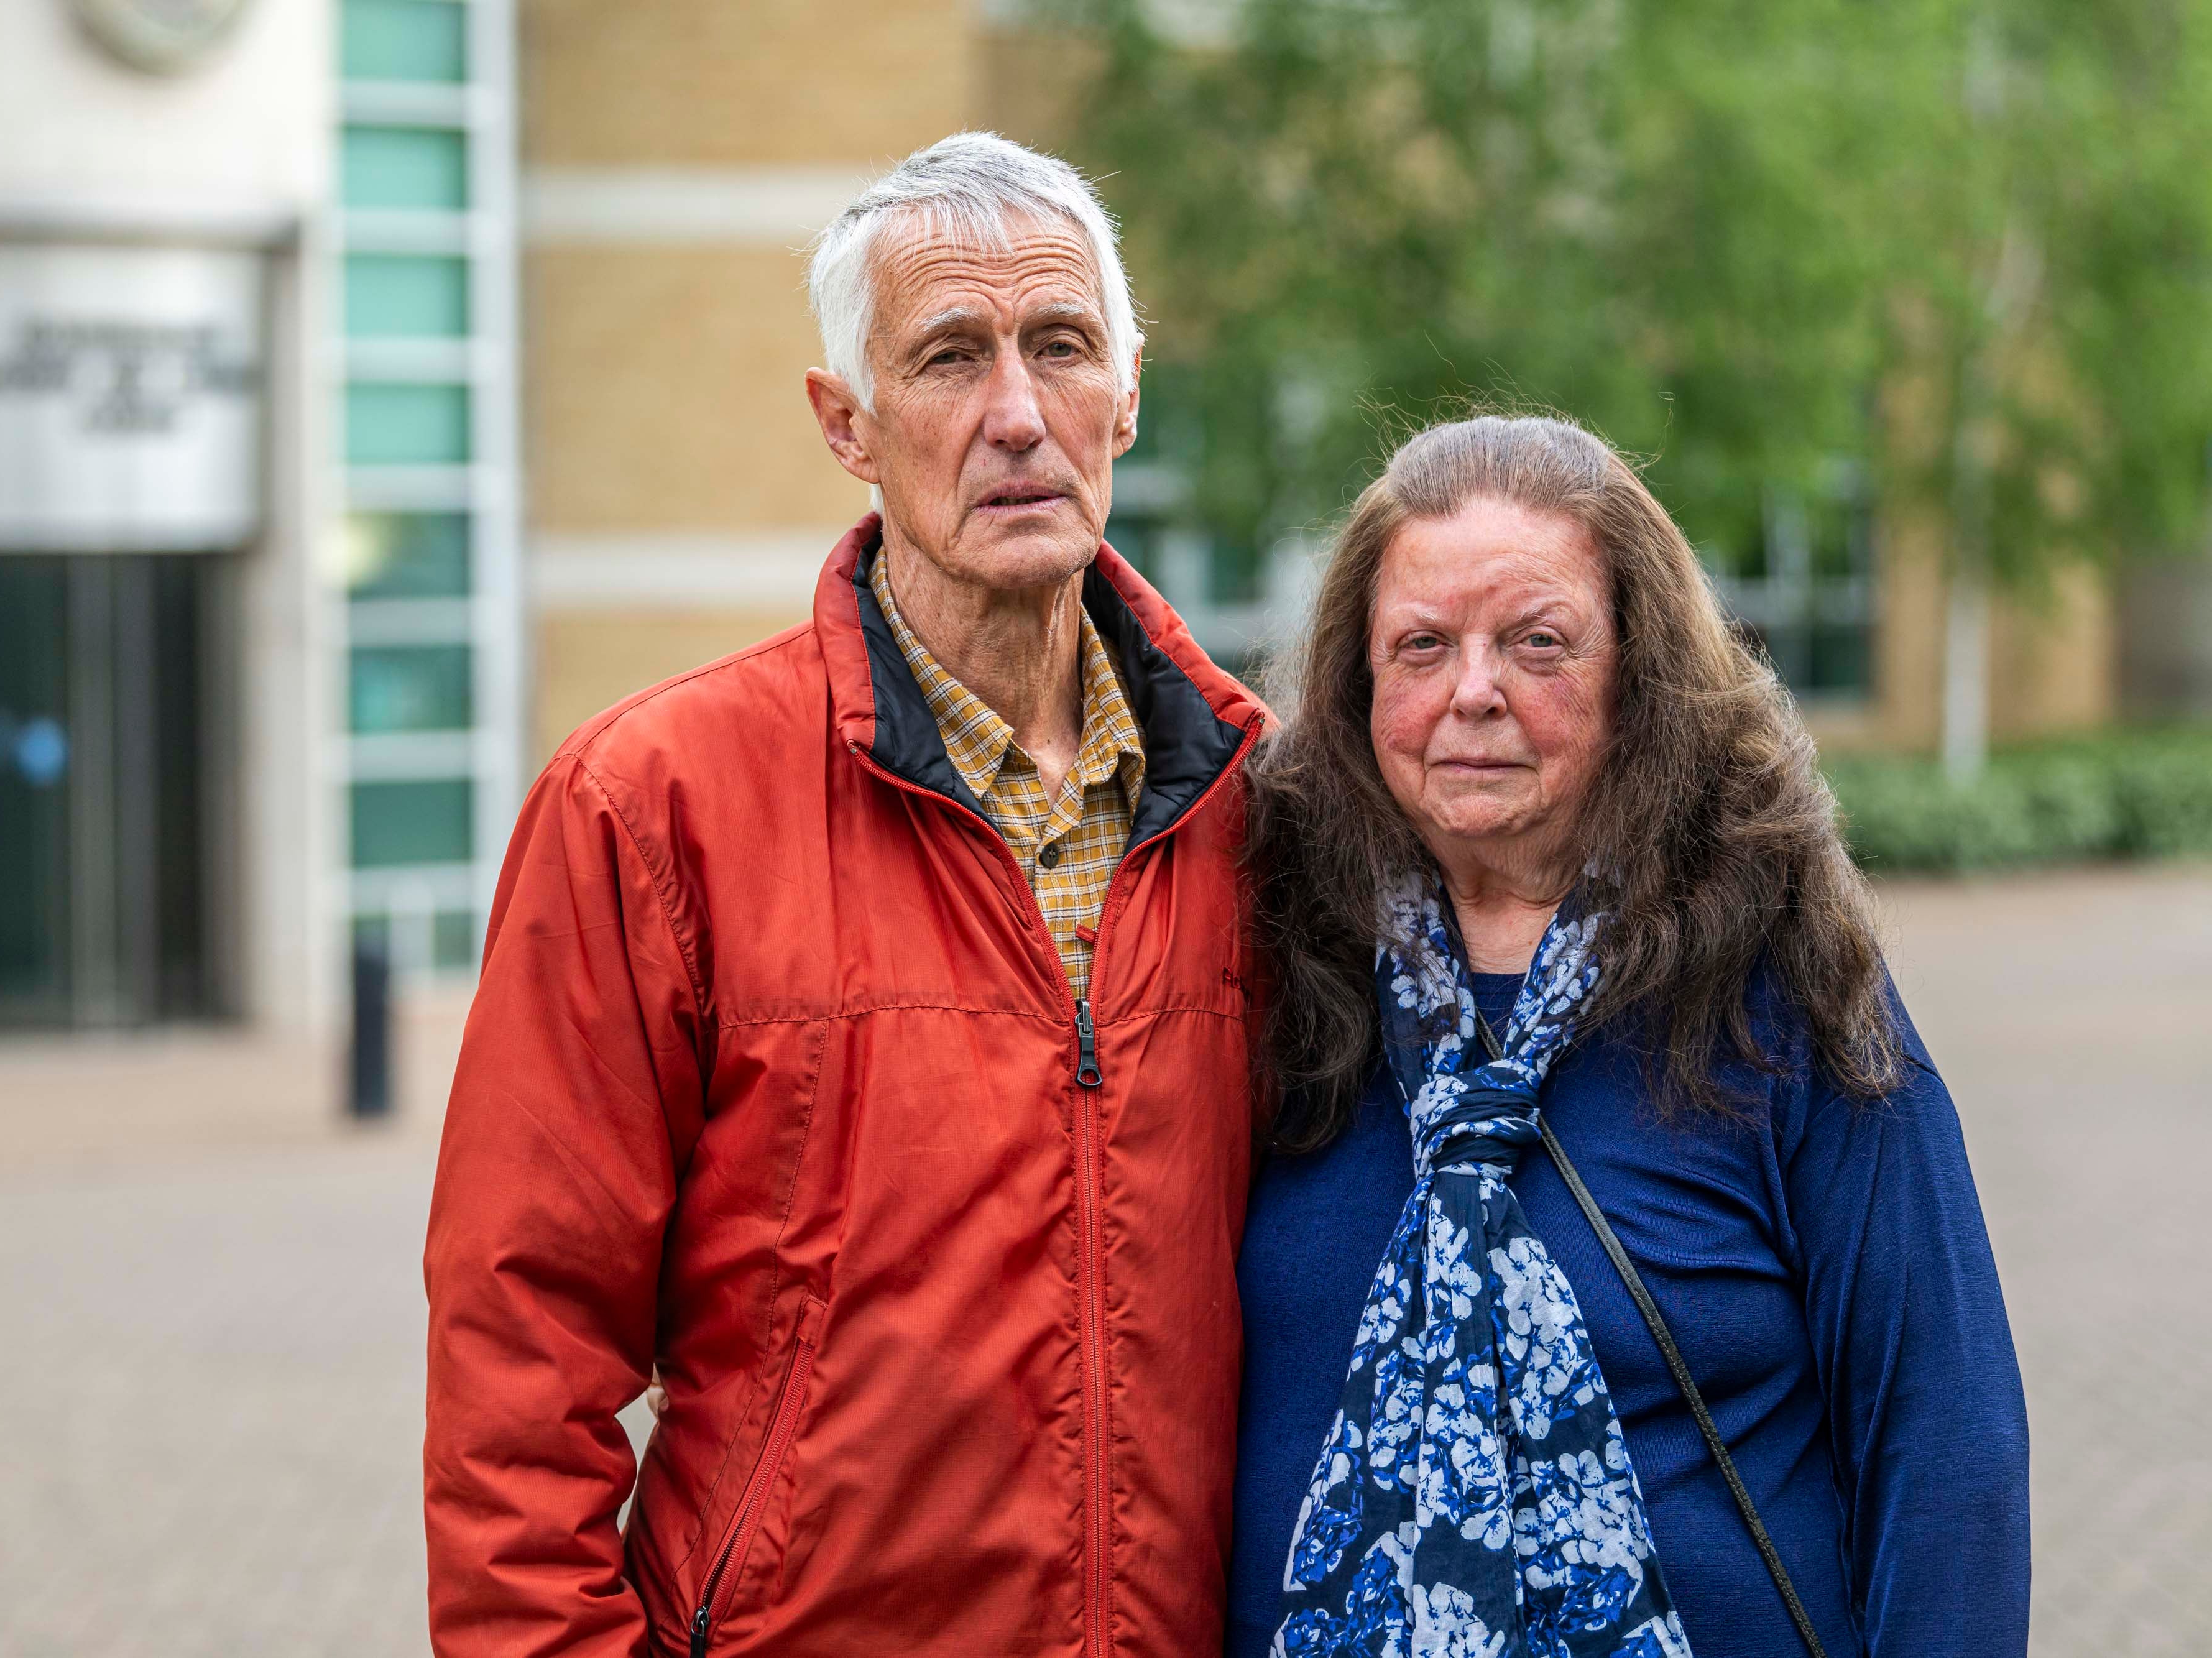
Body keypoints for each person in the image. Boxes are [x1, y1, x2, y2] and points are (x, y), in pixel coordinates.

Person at [423, 132, 1267, 1657]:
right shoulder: (650, 802)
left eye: (1060, 345)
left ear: (1127, 393)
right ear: (846, 423)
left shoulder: (1257, 809)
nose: (1018, 414)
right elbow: (517, 1351)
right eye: (948, 357)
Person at [1226, 415, 2029, 1657]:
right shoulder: (1273, 963)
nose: (1473, 690)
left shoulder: (1778, 983)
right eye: (1421, 646)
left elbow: (1946, 1438)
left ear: (1636, 675)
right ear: (1358, 685)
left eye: (1536, 642)